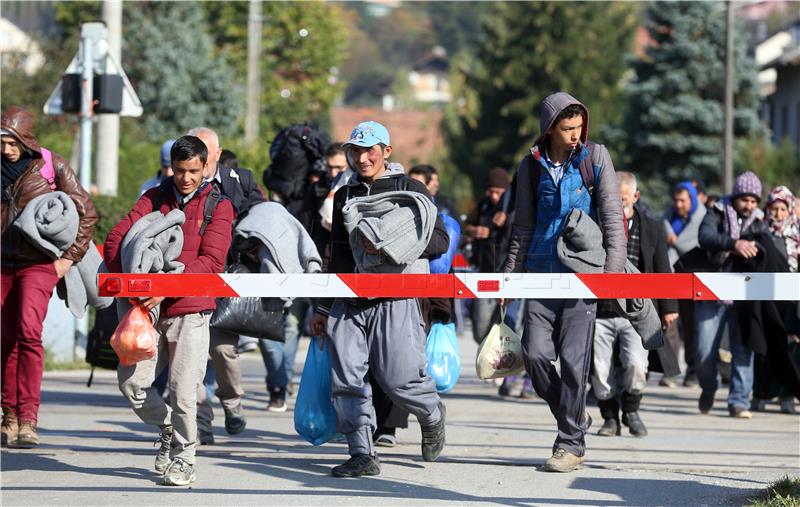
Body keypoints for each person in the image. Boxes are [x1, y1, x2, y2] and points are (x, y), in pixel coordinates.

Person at [308, 121, 448, 477]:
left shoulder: (411, 189)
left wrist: (390, 243)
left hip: (396, 300)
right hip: (349, 302)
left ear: (387, 151)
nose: (362, 157)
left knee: (399, 378)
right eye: (355, 150)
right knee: (347, 379)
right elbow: (338, 255)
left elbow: (440, 242)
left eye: (369, 149)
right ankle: (362, 453)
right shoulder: (344, 196)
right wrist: (324, 308)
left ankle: (431, 413)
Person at [503, 92, 626, 472]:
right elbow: (521, 225)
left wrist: (612, 275)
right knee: (536, 354)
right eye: (567, 128)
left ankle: (569, 443)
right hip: (539, 274)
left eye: (579, 128)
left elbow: (612, 217)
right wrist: (509, 277)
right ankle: (572, 417)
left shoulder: (595, 158)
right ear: (549, 129)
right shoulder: (530, 166)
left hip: (582, 274)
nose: (576, 135)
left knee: (574, 362)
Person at [105, 136, 234, 485]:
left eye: (193, 170)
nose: (186, 178)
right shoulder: (153, 198)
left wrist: (164, 288)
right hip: (146, 312)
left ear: (206, 167)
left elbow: (212, 262)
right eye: (179, 170)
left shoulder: (219, 206)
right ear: (170, 168)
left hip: (191, 311)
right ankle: (166, 429)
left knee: (182, 392)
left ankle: (184, 458)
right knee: (132, 385)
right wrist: (137, 277)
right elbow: (117, 240)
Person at [1, 106, 98, 447]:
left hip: (37, 264)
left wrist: (68, 259)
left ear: (25, 138)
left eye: (12, 141)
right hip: (1, 265)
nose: (7, 149)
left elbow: (87, 210)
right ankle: (8, 414)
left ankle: (28, 419)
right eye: (2, 141)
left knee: (28, 333)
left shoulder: (49, 165)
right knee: (4, 337)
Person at [188, 128, 265, 444]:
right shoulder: (178, 184)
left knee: (222, 350)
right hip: (190, 280)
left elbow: (263, 218)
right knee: (190, 357)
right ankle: (202, 425)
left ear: (218, 154)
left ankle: (232, 403)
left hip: (227, 280)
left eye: (208, 151)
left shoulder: (241, 180)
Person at [592, 172, 678, 438]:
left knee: (637, 365)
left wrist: (668, 307)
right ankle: (609, 418)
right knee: (599, 368)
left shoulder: (651, 227)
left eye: (623, 199)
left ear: (635, 197)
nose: (617, 205)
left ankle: (631, 410)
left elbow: (663, 269)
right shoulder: (594, 224)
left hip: (637, 311)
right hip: (600, 311)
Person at [695, 171, 767, 419]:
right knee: (703, 352)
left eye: (754, 201)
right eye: (745, 200)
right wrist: (733, 244)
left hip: (746, 294)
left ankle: (739, 401)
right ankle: (709, 387)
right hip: (711, 291)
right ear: (735, 197)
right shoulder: (716, 210)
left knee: (743, 349)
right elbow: (705, 237)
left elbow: (769, 247)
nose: (749, 206)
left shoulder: (761, 220)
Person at [750, 186, 799, 414]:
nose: (778, 214)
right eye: (774, 209)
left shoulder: (797, 235)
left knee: (791, 349)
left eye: (782, 209)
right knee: (765, 347)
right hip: (766, 298)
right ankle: (761, 393)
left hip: (792, 302)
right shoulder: (760, 232)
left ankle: (787, 395)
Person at [663, 181, 708, 387]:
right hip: (670, 275)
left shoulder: (703, 219)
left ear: (692, 200)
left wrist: (675, 242)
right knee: (669, 323)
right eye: (676, 200)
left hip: (693, 279)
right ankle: (670, 370)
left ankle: (693, 369)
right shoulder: (667, 220)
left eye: (683, 200)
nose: (678, 204)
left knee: (691, 326)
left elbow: (700, 244)